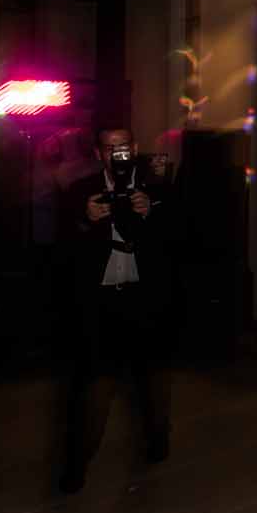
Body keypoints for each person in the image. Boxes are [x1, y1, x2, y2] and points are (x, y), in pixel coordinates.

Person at [57, 126, 177, 491]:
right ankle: (76, 466)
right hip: (102, 302)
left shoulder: (157, 186)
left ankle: (157, 443)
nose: (117, 154)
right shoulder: (82, 191)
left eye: (123, 147)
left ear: (135, 148)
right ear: (98, 153)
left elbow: (177, 240)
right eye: (109, 148)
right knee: (96, 387)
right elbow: (63, 248)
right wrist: (85, 218)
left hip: (145, 301)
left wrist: (147, 214)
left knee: (153, 385)